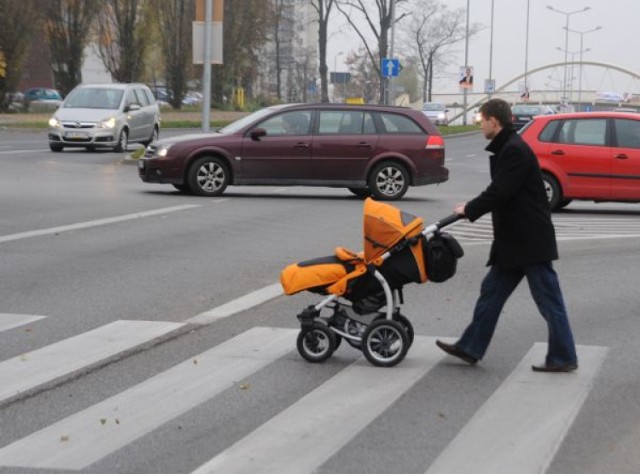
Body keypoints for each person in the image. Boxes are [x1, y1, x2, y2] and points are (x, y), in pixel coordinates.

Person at [436, 98, 578, 373]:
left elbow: (501, 191)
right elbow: (503, 192)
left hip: (529, 241)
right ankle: (471, 346)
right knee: (491, 292)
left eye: (481, 120)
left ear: (494, 121)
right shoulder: (509, 147)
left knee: (548, 301)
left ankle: (563, 357)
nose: (480, 126)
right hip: (515, 241)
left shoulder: (514, 150)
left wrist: (470, 209)